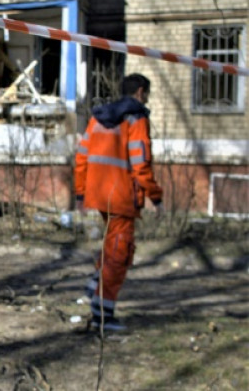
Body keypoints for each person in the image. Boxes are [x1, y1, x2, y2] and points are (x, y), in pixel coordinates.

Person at [75, 73, 163, 332]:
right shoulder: (136, 118)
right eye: (146, 94)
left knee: (112, 246)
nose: (146, 99)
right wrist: (155, 197)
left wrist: (81, 193)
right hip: (122, 197)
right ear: (140, 93)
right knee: (119, 255)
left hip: (99, 194)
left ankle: (94, 286)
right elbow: (140, 162)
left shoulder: (98, 118)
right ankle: (103, 314)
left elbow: (81, 157)